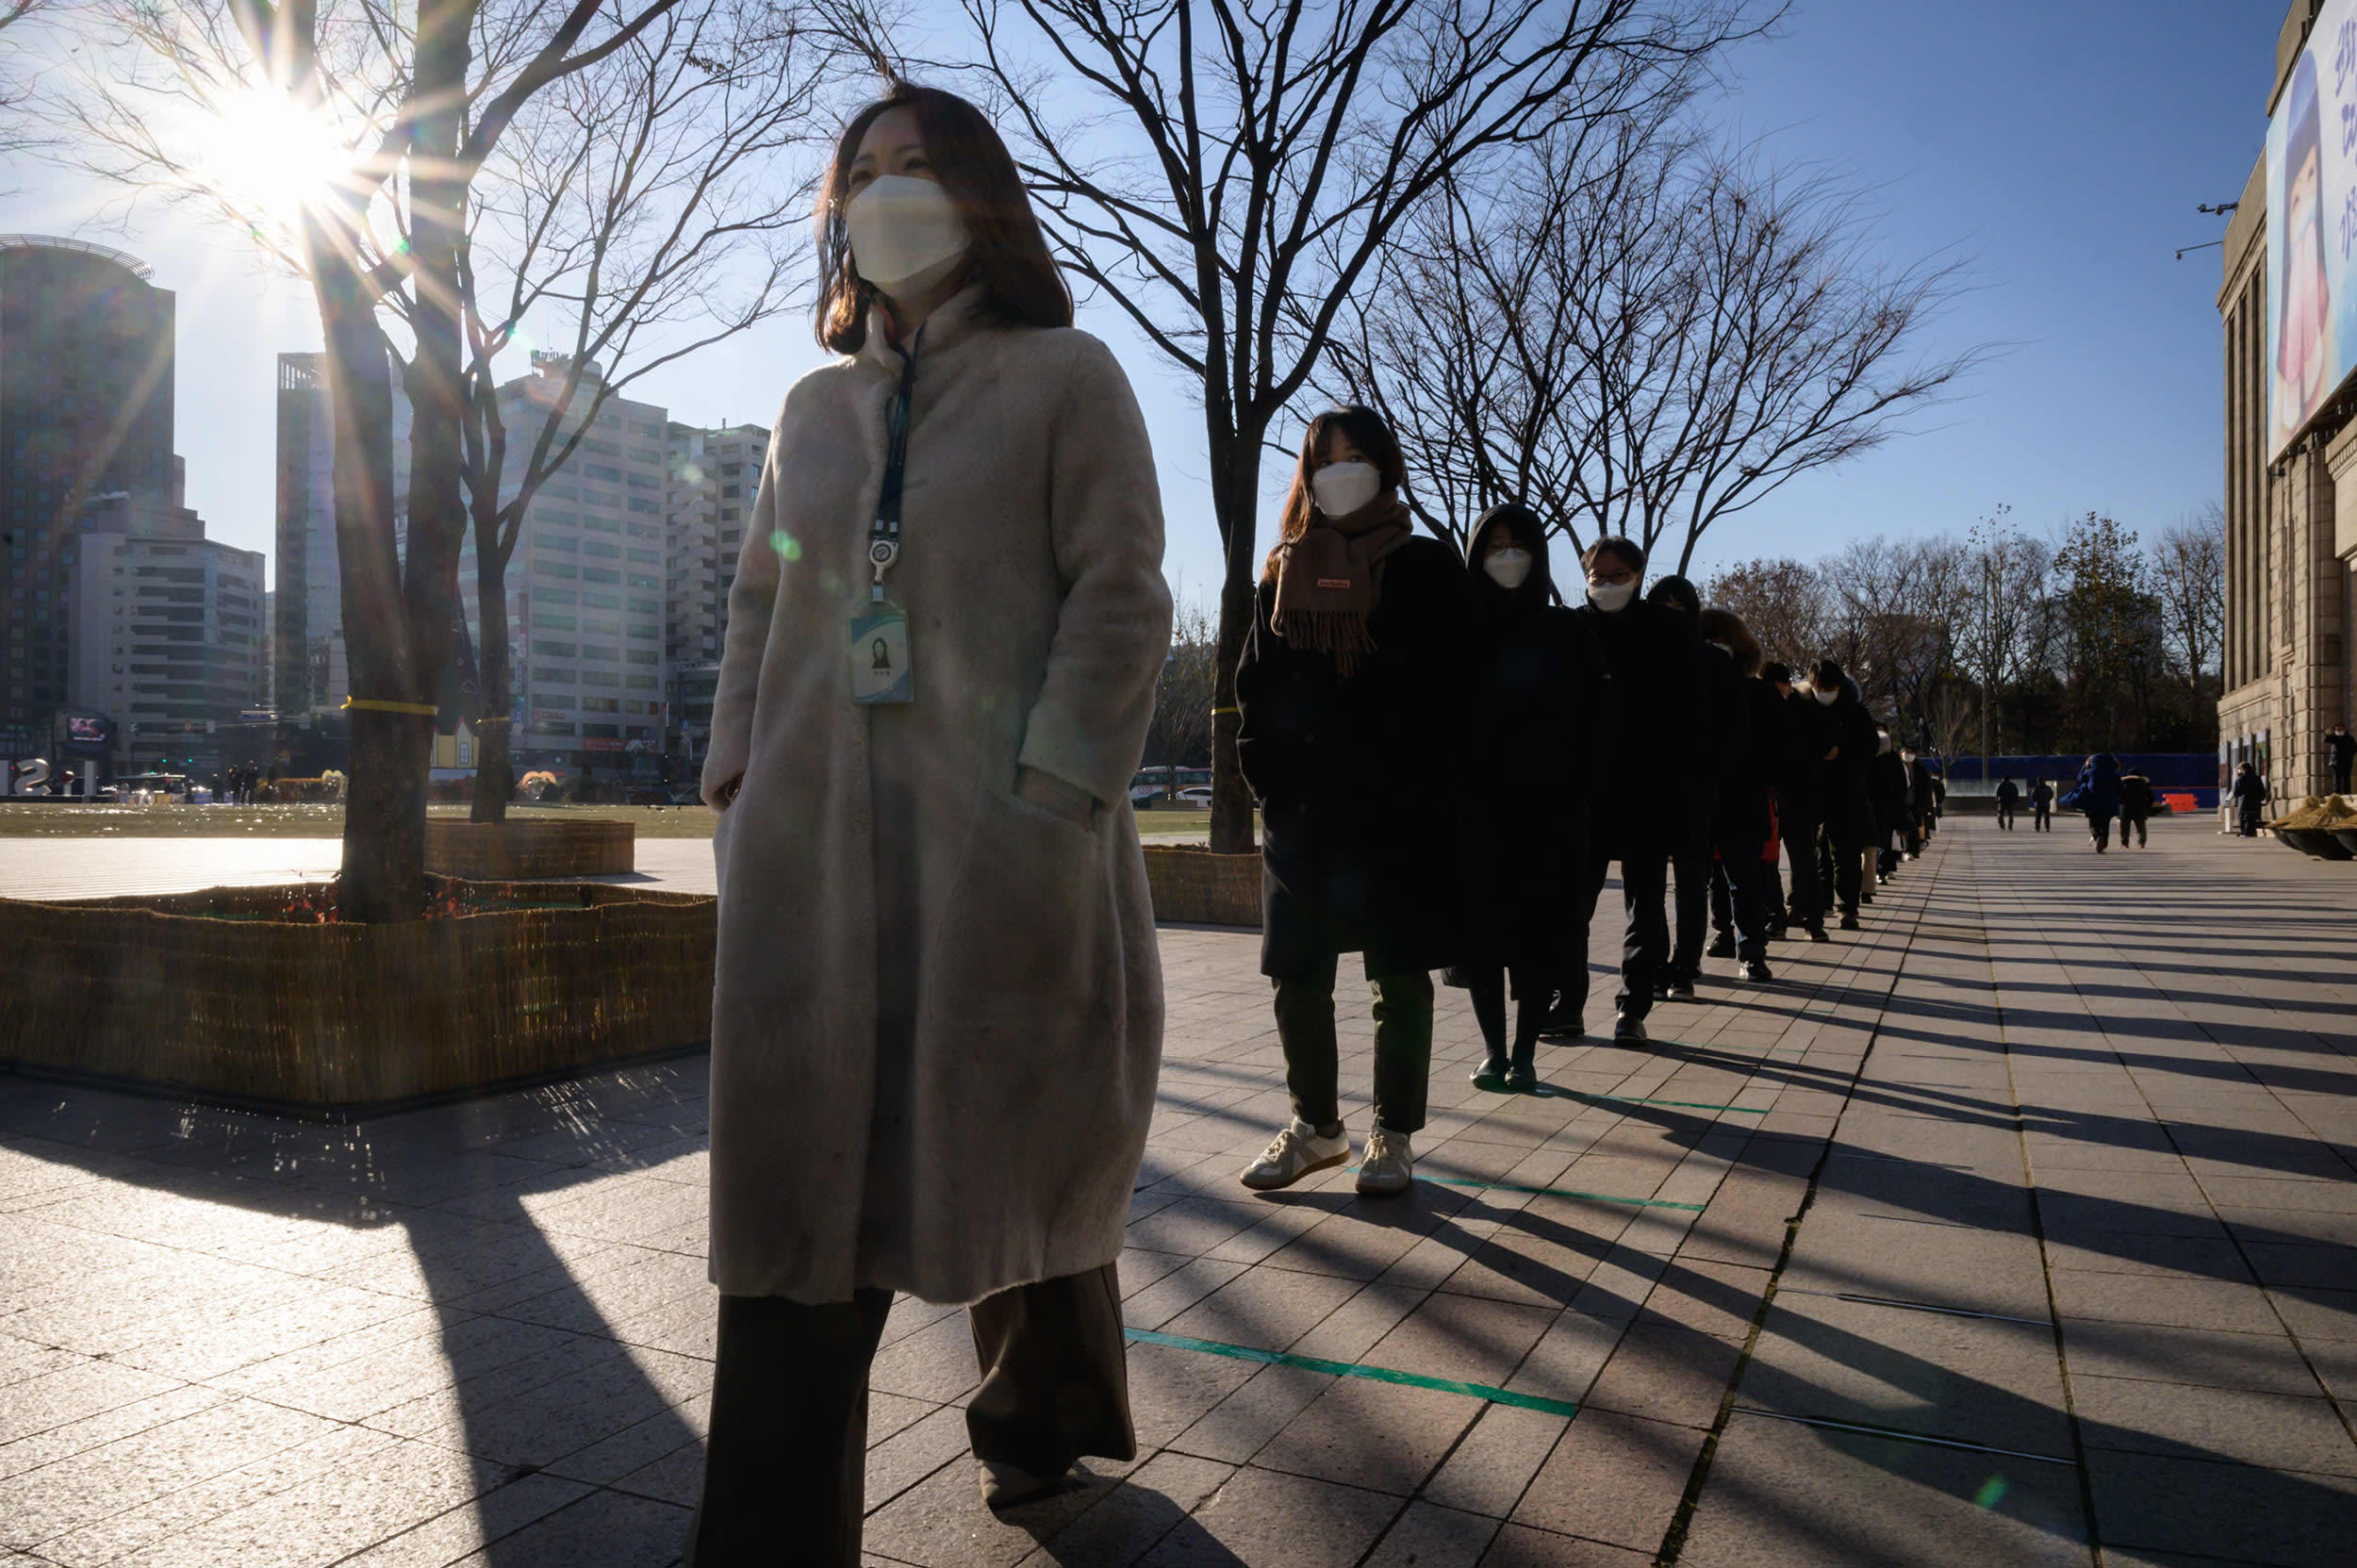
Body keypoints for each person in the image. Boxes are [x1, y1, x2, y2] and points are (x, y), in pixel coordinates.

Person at [690, 85, 1175, 1560]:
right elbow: (759, 599)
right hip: (810, 867)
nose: (889, 194)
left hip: (1003, 861)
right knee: (798, 1233)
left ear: (981, 199)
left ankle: (1042, 1410)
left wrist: (1049, 799)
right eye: (865, 175)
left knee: (1006, 1155)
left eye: (920, 169)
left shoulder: (1068, 377)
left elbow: (1122, 596)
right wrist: (735, 778)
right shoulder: (807, 409)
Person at [1235, 404, 1473, 1197]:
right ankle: (1316, 1127)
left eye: (1356, 456)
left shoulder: (1427, 566)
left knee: (1397, 977)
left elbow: (1455, 691)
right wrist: (1270, 783)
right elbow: (1254, 691)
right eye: (1325, 458)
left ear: (1385, 464)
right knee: (1295, 975)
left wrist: (1430, 788)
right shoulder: (1281, 572)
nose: (1340, 471)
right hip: (1304, 815)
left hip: (1396, 814)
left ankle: (1393, 1133)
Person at [1450, 503, 1600, 1093]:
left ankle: (1526, 1051)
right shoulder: (1456, 630)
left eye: (1518, 544)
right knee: (1481, 936)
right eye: (1494, 545)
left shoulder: (1568, 631)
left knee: (1538, 935)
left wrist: (1577, 789)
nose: (1506, 555)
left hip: (1550, 812)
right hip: (1476, 811)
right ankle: (1492, 1051)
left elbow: (1595, 721)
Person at [1559, 537, 1703, 1042]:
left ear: (1639, 575)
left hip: (1650, 789)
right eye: (1597, 574)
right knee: (1574, 903)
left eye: (1618, 574)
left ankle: (1632, 1007)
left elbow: (1690, 712)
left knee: (1645, 904)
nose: (1606, 583)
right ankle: (1567, 1001)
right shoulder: (1571, 628)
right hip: (1586, 792)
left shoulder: (1670, 631)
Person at [1645, 574, 1720, 998]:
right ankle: (1655, 962)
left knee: (1692, 882)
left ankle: (1685, 965)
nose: (1671, 614)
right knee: (1647, 884)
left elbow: (1732, 730)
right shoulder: (1635, 657)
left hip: (1694, 789)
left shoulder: (1713, 663)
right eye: (1663, 605)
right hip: (1645, 788)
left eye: (1680, 606)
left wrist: (1709, 771)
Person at [1695, 608, 1778, 982]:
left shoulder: (1759, 692)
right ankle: (1694, 953)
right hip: (1699, 797)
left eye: (1720, 640)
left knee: (1742, 877)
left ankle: (1751, 950)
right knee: (1701, 881)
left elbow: (1780, 748)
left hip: (1740, 797)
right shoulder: (1685, 688)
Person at [1808, 661, 1878, 931]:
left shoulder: (1855, 712)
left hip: (1846, 792)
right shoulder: (1807, 709)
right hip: (1812, 791)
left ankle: (1847, 906)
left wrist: (1842, 751)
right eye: (1819, 688)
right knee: (1814, 853)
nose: (1824, 692)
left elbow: (1869, 746)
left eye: (1829, 688)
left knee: (1845, 853)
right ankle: (1818, 902)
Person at [1765, 662, 1829, 944]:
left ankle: (1793, 920)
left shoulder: (1801, 710)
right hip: (1790, 796)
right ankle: (1801, 921)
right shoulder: (1807, 710)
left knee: (1792, 862)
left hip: (1789, 796)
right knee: (1792, 863)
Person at [1868, 730, 1912, 883]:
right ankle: (1884, 869)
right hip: (1890, 807)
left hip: (1872, 805)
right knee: (1885, 840)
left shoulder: (1869, 759)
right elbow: (1902, 785)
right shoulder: (1894, 760)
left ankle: (1879, 869)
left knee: (1873, 841)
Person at [2064, 752, 2123, 851]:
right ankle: (2104, 843)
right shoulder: (2114, 774)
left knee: (2093, 824)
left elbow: (2080, 780)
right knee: (2105, 824)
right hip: (2109, 804)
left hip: (2093, 803)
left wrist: (2086, 767)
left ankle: (2097, 837)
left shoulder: (2090, 772)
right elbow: (2120, 788)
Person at [2118, 767, 2155, 849]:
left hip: (2125, 808)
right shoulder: (2143, 784)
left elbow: (2118, 796)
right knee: (2141, 828)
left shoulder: (2123, 784)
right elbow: (2151, 797)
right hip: (2140, 808)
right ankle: (2141, 843)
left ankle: (2125, 843)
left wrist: (2120, 805)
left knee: (2124, 828)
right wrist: (2146, 805)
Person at [2233, 761, 2269, 835]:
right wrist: (2261, 798)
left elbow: (2235, 793)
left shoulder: (2239, 779)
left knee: (2242, 820)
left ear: (2242, 769)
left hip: (2243, 804)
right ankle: (2250, 832)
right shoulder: (2257, 778)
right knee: (2253, 819)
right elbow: (2262, 791)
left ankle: (2244, 832)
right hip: (2255, 803)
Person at [2327, 722, 2354, 794]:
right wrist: (2328, 734)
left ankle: (2347, 792)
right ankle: (2337, 793)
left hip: (2346, 761)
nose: (2338, 730)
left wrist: (2349, 754)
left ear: (2344, 729)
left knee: (2346, 778)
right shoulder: (2334, 737)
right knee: (2336, 778)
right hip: (2336, 762)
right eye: (2337, 729)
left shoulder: (2349, 738)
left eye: (2340, 729)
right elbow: (2326, 740)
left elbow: (2354, 748)